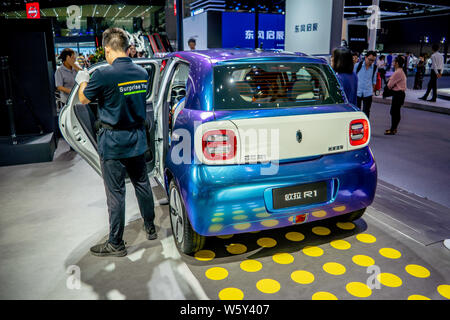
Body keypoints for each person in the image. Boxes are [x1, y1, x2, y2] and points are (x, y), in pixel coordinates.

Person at [75, 27, 157, 257]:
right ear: (126, 47)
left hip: (113, 143)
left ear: (107, 48)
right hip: (138, 139)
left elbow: (83, 99)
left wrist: (83, 80)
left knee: (116, 194)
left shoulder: (102, 75)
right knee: (142, 184)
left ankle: (116, 243)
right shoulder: (142, 72)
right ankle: (150, 227)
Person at [384, 56, 407, 135]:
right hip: (400, 94)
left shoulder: (398, 72)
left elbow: (389, 85)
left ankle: (393, 129)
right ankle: (394, 128)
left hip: (398, 94)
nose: (393, 63)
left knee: (394, 112)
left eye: (394, 61)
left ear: (396, 63)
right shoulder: (400, 71)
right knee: (395, 112)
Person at [354, 51, 378, 118]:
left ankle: (365, 126)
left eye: (373, 60)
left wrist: (372, 90)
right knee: (356, 111)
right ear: (365, 57)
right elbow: (353, 78)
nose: (371, 62)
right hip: (357, 92)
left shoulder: (375, 68)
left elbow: (374, 81)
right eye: (370, 59)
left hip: (368, 93)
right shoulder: (357, 66)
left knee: (366, 111)